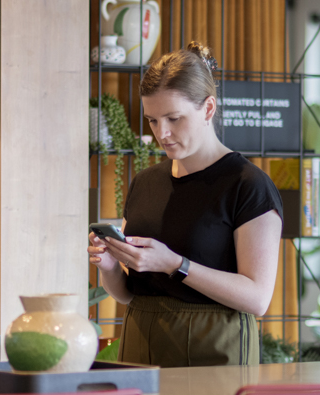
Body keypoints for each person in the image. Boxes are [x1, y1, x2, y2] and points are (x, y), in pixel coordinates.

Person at [87, 41, 283, 367]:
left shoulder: (248, 185)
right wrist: (109, 266)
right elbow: (128, 293)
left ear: (208, 109)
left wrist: (175, 264)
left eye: (174, 118)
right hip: (140, 341)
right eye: (152, 120)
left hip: (214, 347)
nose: (162, 133)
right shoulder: (144, 182)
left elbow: (257, 298)